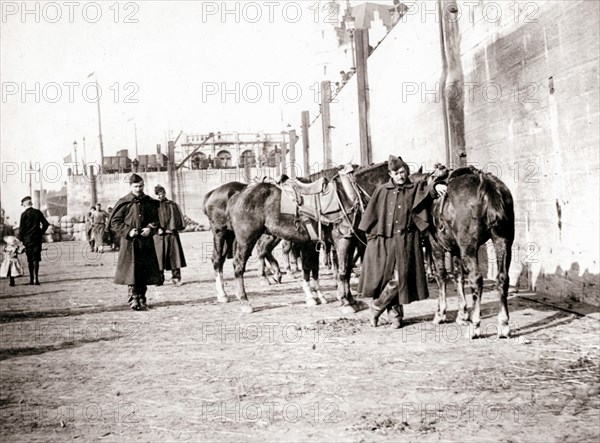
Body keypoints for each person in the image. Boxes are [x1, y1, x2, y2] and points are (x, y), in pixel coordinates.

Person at [358, 155, 447, 328]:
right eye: (397, 173)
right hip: (384, 240)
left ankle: (376, 308)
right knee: (385, 278)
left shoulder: (413, 188)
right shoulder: (382, 190)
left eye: (403, 172)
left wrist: (437, 185)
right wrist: (372, 239)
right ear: (390, 174)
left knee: (401, 277)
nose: (401, 176)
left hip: (406, 240)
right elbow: (371, 216)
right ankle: (395, 316)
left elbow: (427, 191)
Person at [109, 174, 162, 310]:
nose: (138, 189)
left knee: (143, 271)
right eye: (136, 186)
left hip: (145, 242)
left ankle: (142, 298)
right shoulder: (124, 202)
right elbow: (115, 222)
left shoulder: (149, 202)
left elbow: (156, 219)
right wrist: (128, 231)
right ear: (130, 187)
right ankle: (133, 299)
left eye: (141, 186)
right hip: (129, 243)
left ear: (144, 185)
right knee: (131, 272)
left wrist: (150, 228)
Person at [153, 185, 187, 286]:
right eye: (157, 195)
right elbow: (151, 219)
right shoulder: (153, 205)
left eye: (161, 194)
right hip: (158, 235)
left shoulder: (172, 205)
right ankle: (159, 279)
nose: (159, 196)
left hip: (171, 234)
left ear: (164, 193)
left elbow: (176, 218)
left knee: (174, 256)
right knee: (159, 257)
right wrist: (156, 228)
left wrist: (172, 228)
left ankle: (176, 277)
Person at [18, 196, 50, 285]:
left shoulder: (23, 214)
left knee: (30, 260)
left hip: (27, 240)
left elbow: (21, 229)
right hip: (37, 239)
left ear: (24, 204)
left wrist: (21, 240)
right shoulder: (38, 212)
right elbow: (46, 224)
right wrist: (41, 232)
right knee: (36, 258)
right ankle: (36, 278)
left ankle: (31, 279)